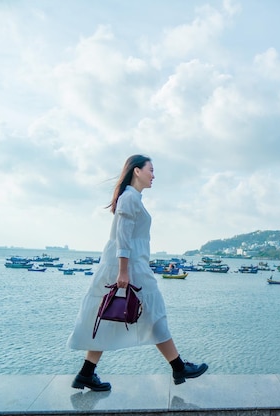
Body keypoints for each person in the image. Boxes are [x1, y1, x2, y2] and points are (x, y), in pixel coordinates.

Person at [67, 155, 207, 391]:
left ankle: (86, 374)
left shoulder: (133, 198)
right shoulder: (130, 198)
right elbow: (122, 236)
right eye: (151, 170)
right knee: (154, 312)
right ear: (136, 171)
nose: (154, 175)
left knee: (108, 316)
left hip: (130, 264)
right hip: (130, 266)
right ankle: (178, 366)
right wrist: (123, 272)